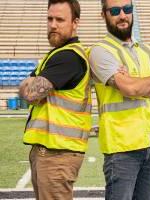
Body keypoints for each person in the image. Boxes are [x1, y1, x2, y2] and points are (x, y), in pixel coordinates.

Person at [89, 0, 150, 199]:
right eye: (115, 10)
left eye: (127, 9)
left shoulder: (146, 50)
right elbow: (129, 88)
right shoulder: (100, 51)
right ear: (103, 15)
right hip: (121, 149)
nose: (122, 15)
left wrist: (137, 83)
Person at [19, 0, 91, 199]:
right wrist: (30, 85)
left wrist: (30, 82)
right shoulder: (56, 55)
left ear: (75, 23)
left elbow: (30, 93)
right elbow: (25, 91)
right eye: (50, 19)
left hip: (57, 153)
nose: (53, 25)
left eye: (60, 19)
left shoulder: (69, 56)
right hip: (52, 151)